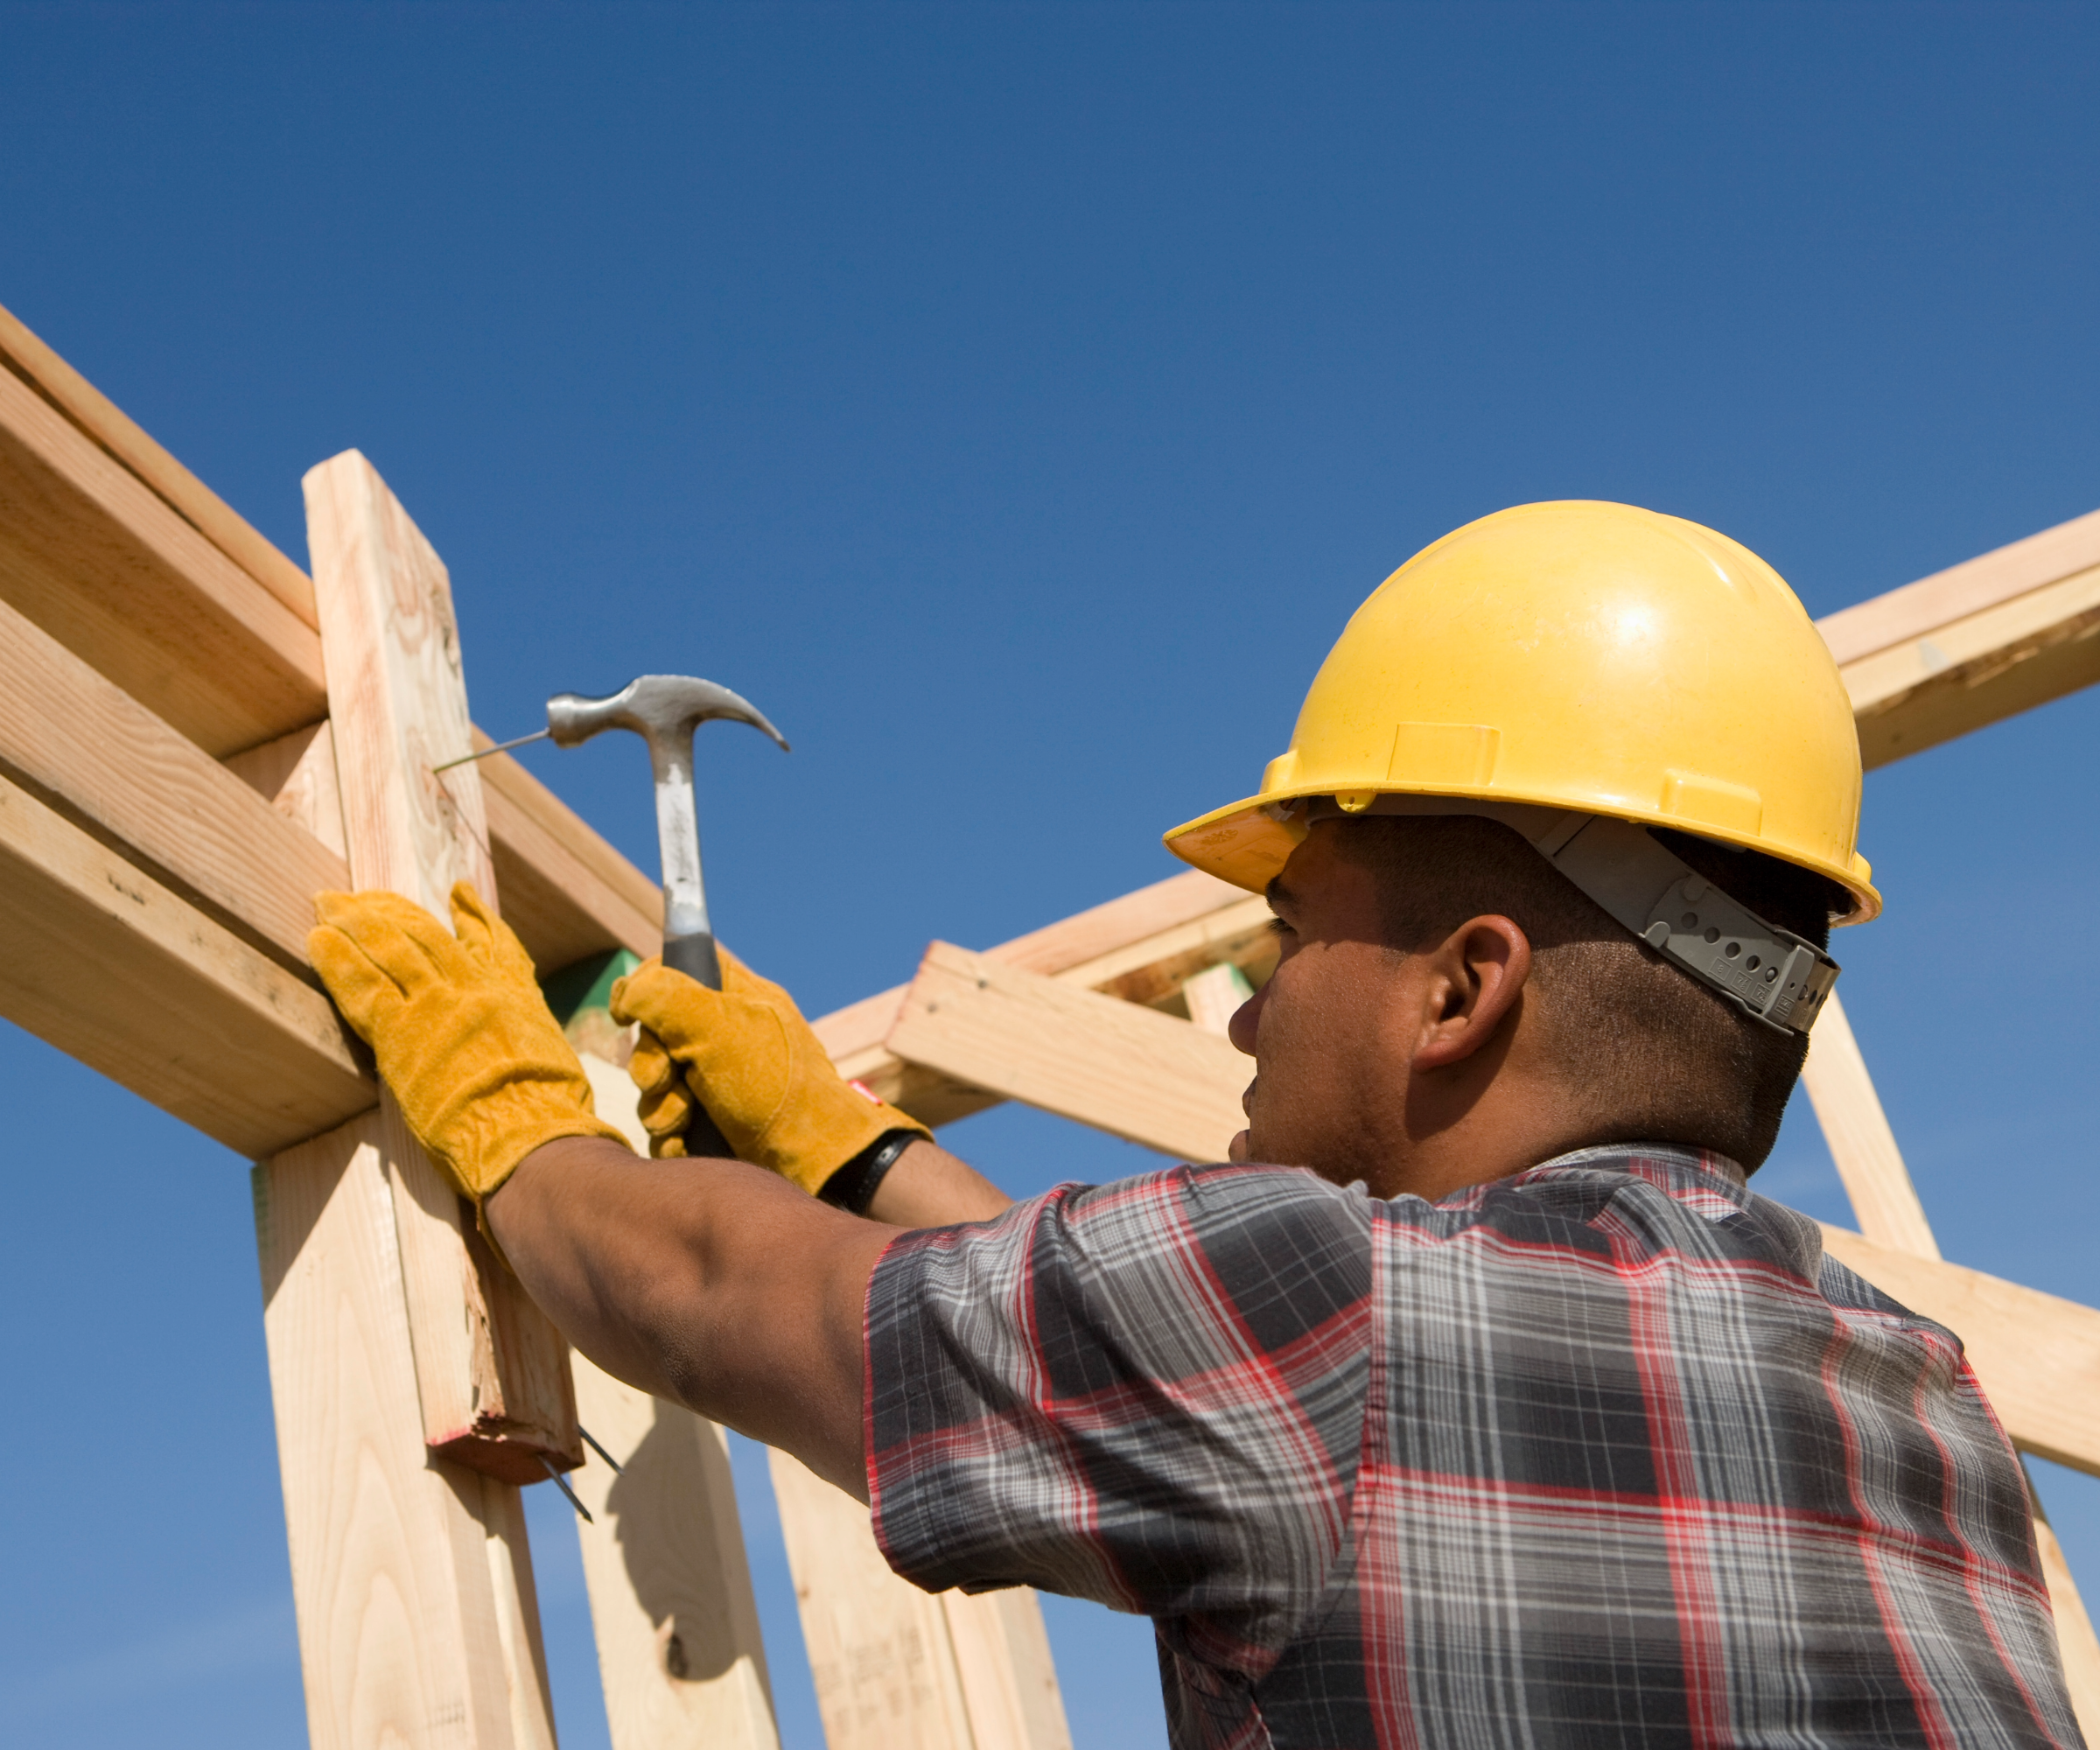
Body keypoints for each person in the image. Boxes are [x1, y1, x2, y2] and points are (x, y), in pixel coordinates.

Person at [310, 500, 2082, 1746]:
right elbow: (1208, 1407)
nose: (1244, 1001)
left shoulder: (1320, 1317)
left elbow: (704, 1289)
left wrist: (520, 1115)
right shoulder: (1926, 1408)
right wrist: (844, 1150)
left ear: (1464, 991)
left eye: (1291, 933)